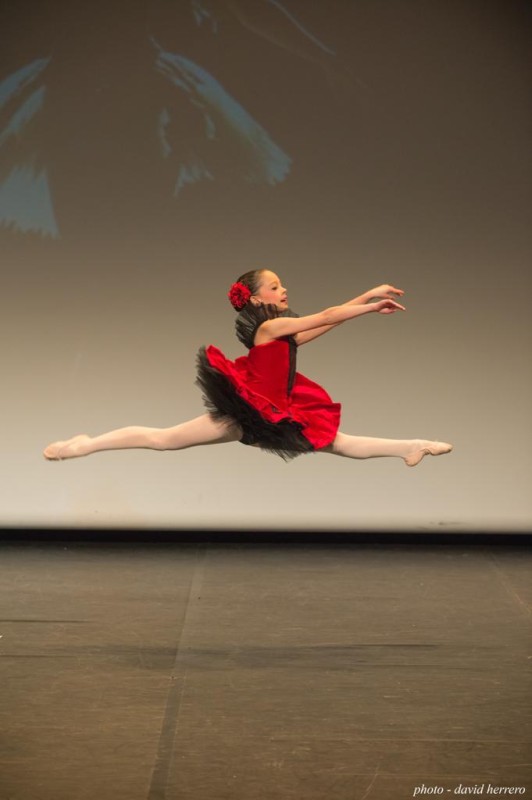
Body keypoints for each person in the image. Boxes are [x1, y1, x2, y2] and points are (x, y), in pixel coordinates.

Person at [43, 269, 452, 465]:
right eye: (275, 286)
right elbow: (327, 314)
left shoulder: (283, 332)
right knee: (163, 440)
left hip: (274, 410)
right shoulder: (272, 326)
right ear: (257, 299)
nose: (284, 288)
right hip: (251, 409)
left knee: (338, 442)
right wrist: (370, 304)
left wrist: (369, 294)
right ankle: (84, 444)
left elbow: (328, 321)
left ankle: (410, 446)